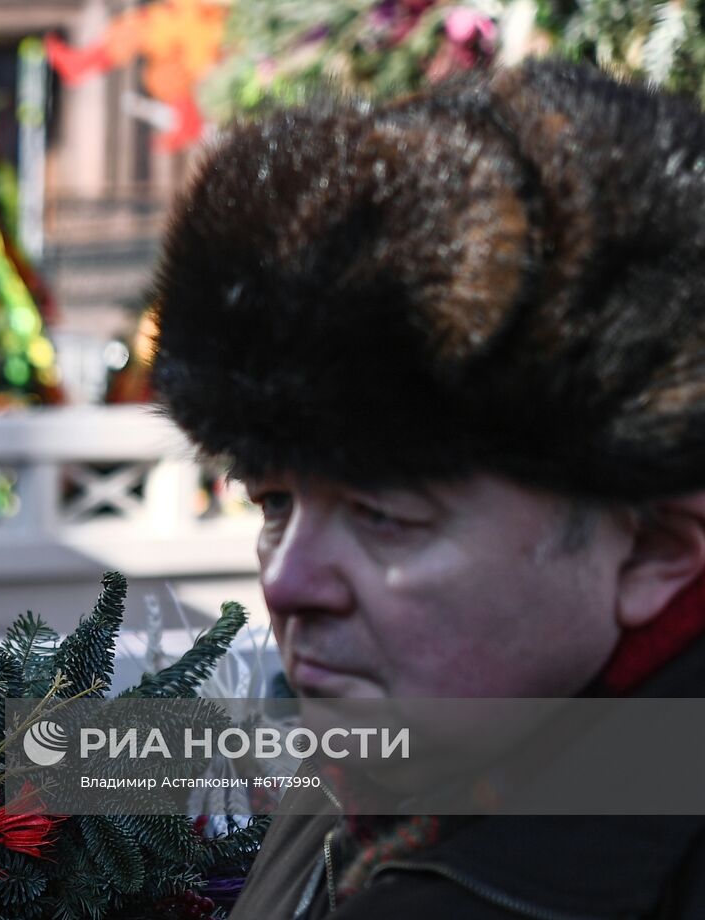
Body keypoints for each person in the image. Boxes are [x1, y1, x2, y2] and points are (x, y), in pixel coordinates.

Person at [149, 62, 705, 918]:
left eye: (382, 515)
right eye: (274, 504)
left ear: (652, 553)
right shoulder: (391, 754)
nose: (288, 585)